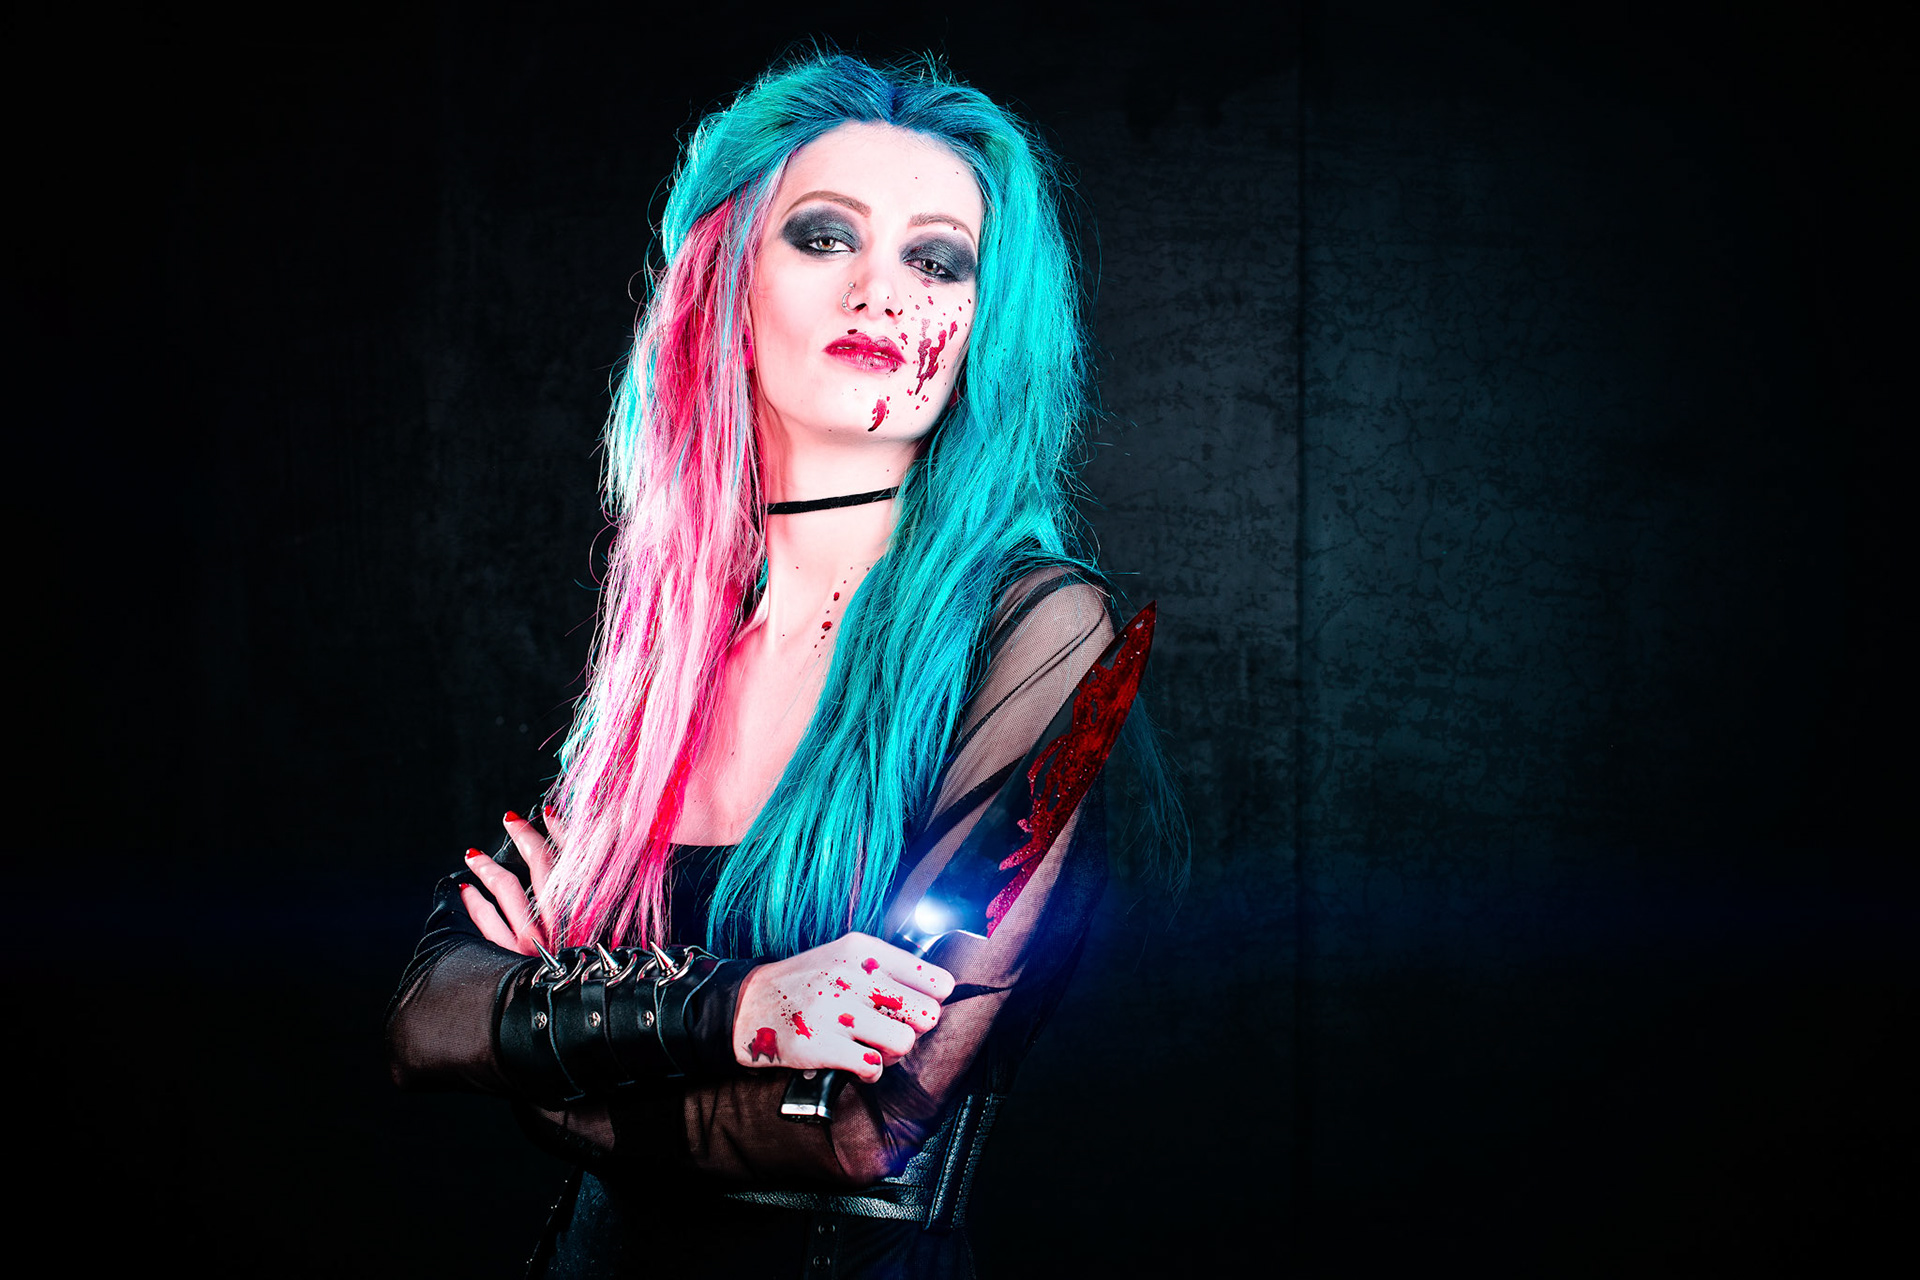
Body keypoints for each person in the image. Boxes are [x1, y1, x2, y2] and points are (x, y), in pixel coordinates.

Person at [387, 50, 1179, 1279]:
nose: (882, 290)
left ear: (986, 323)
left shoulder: (1043, 633)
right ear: (729, 285)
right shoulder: (674, 645)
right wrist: (748, 1009)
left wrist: (541, 1054)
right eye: (823, 236)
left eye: (937, 259)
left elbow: (863, 1127)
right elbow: (429, 1011)